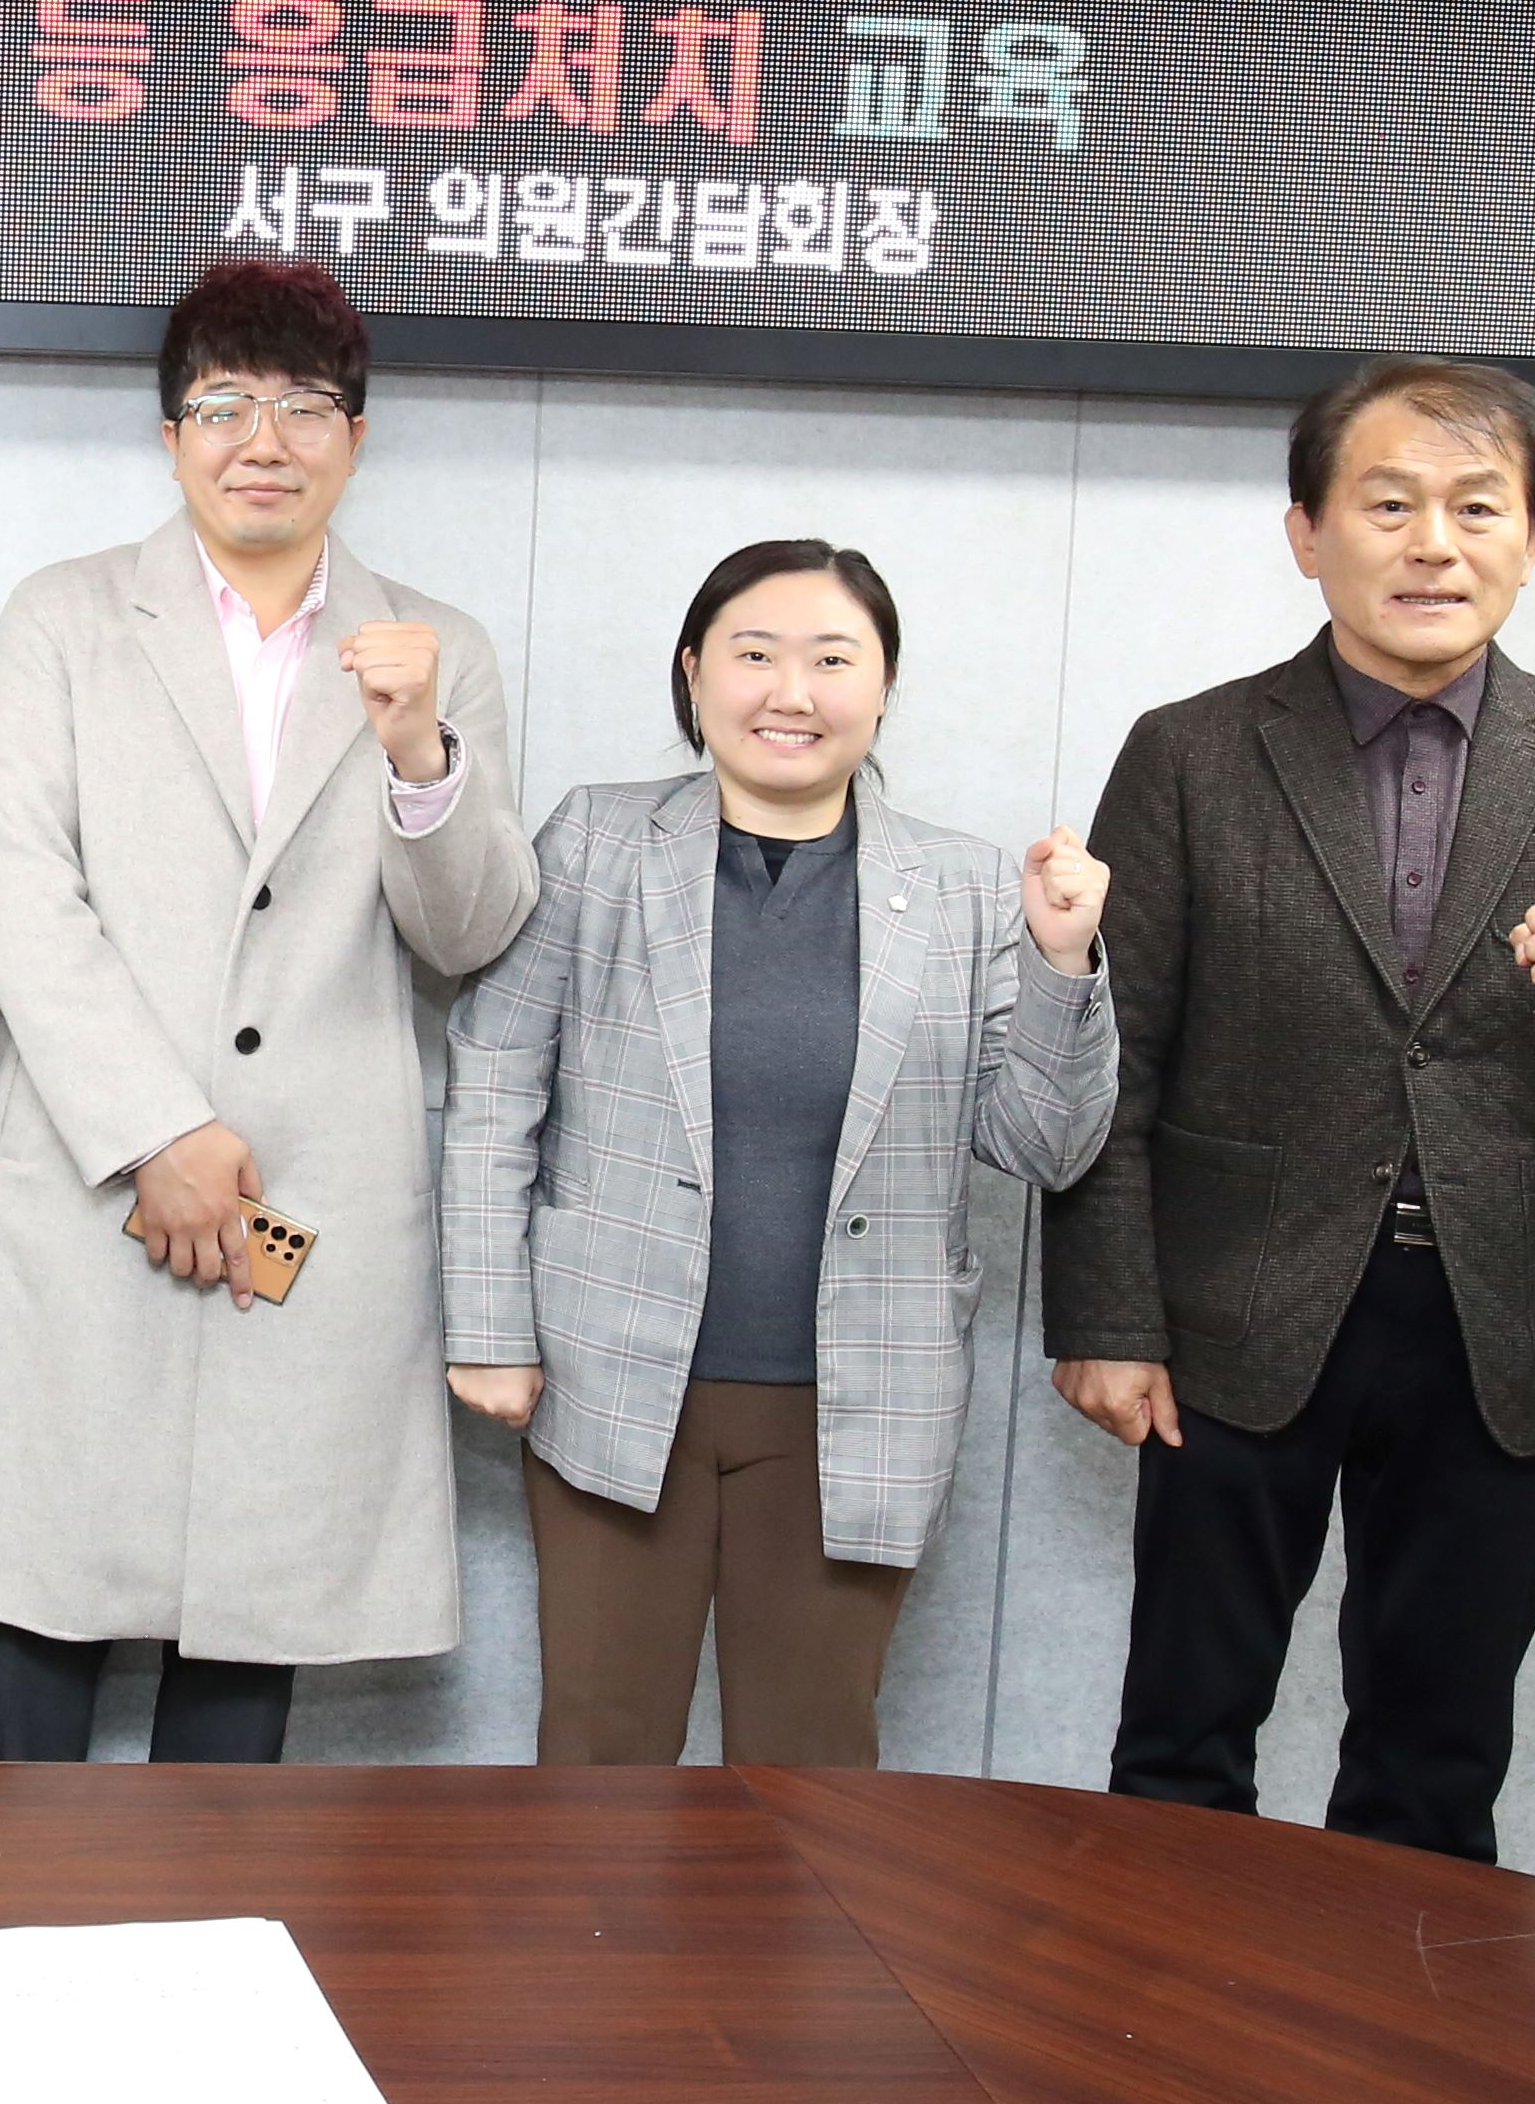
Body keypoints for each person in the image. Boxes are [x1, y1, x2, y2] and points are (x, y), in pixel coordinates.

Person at [1041, 355, 1535, 1864]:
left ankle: (1397, 2012)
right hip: (1235, 1311)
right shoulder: (1191, 751)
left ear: (1533, 539)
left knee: (1437, 1751)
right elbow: (1118, 1053)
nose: (1434, 543)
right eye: (1389, 504)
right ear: (1308, 534)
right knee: (1184, 1728)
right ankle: (1158, 1999)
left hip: (1505, 1321)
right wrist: (1107, 1316)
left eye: (1477, 507)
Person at [0, 257, 537, 1762]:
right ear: (171, 433)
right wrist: (159, 1131)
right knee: (32, 1632)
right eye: (225, 404)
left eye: (304, 405)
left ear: (355, 438)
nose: (264, 439)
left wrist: (421, 752)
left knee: (252, 1657)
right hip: (95, 1190)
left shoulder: (435, 648)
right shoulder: (67, 616)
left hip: (308, 1211)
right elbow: (21, 893)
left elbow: (469, 934)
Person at [443, 539, 1116, 1769]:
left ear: (884, 686)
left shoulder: (968, 888)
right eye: (754, 654)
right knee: (598, 1750)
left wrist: (1063, 963)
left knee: (811, 1769)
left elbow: (1045, 1146)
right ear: (694, 673)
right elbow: (495, 1083)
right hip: (610, 1379)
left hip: (857, 1398)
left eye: (832, 660)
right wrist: (488, 1328)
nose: (790, 693)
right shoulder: (596, 841)